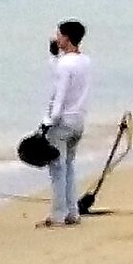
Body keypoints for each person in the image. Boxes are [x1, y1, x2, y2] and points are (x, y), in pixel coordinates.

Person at [37, 21, 92, 225]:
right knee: (69, 165)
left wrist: (48, 122)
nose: (56, 38)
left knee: (57, 169)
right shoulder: (85, 61)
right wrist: (54, 56)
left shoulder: (65, 64)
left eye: (59, 35)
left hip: (62, 123)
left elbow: (58, 96)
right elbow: (62, 72)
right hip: (78, 121)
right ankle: (72, 212)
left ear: (67, 38)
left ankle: (58, 214)